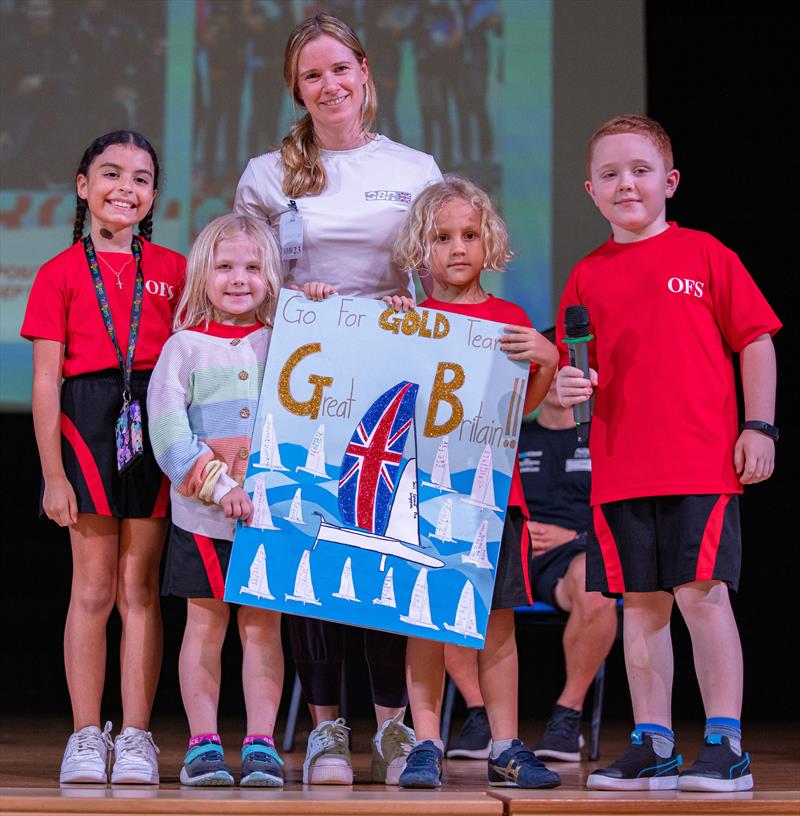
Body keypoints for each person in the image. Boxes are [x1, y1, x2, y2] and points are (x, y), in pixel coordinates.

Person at [234, 13, 442, 785]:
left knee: (386, 550)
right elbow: (244, 284)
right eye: (311, 75)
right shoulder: (266, 173)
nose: (329, 86)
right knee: (307, 557)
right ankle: (326, 731)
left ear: (364, 73)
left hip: (391, 380)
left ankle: (391, 728)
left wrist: (413, 309)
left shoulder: (415, 166)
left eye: (339, 70)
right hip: (302, 380)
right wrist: (294, 294)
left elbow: (436, 275)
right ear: (298, 87)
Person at [556, 115, 780, 792]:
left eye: (641, 170)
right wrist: (565, 388)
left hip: (700, 463)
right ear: (590, 190)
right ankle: (653, 740)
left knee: (702, 597)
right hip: (619, 470)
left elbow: (758, 340)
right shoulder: (586, 275)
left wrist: (760, 426)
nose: (627, 183)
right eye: (611, 174)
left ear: (670, 182)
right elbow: (571, 380)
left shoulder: (707, 255)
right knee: (642, 606)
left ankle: (725, 743)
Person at [21, 130, 185, 784]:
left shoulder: (174, 270)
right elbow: (43, 382)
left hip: (158, 421)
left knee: (138, 587)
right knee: (90, 588)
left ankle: (137, 736)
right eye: (111, 174)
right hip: (85, 425)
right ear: (84, 185)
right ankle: (86, 736)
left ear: (152, 195)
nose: (127, 188)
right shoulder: (58, 273)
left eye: (141, 177)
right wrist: (52, 473)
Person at [391, 174, 561, 789]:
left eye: (469, 235)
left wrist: (544, 358)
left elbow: (524, 410)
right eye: (442, 236)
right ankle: (426, 744)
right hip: (421, 496)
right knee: (424, 622)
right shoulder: (409, 318)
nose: (457, 247)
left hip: (494, 496)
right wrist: (393, 329)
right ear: (421, 248)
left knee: (497, 625)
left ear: (489, 244)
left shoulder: (510, 318)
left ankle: (506, 744)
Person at [147, 214, 284, 787]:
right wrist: (221, 487)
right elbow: (169, 434)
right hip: (203, 518)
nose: (238, 279)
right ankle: (203, 744)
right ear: (203, 274)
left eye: (253, 267)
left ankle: (261, 743)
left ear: (271, 276)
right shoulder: (184, 349)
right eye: (225, 267)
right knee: (204, 626)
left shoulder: (284, 342)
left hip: (272, 518)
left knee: (263, 629)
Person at [444, 345, 617, 763]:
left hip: (575, 552)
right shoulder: (509, 435)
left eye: (573, 369)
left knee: (597, 586)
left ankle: (567, 716)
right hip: (506, 547)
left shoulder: (604, 436)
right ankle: (479, 712)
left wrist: (572, 533)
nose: (563, 378)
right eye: (553, 370)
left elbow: (624, 514)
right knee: (445, 591)